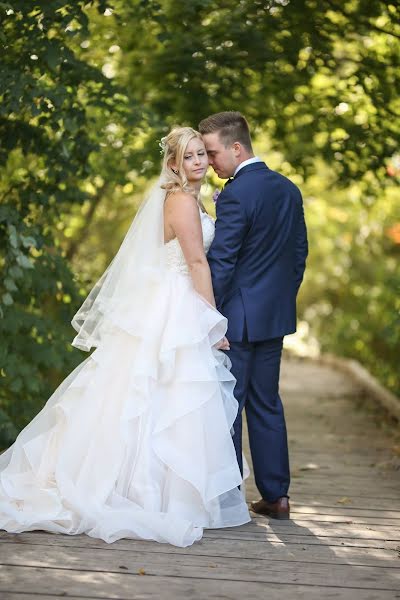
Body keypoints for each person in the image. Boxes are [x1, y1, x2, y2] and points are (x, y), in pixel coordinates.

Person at [0, 126, 251, 547]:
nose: (199, 162)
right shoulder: (182, 203)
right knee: (159, 396)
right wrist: (213, 324)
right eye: (188, 157)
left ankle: (149, 489)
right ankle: (142, 494)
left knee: (158, 397)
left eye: (201, 155)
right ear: (173, 164)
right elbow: (196, 264)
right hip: (177, 306)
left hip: (170, 302)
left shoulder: (186, 199)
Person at [199, 111, 308, 519]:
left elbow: (223, 262)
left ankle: (229, 498)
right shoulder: (288, 189)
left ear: (236, 147)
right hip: (273, 317)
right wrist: (279, 300)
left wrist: (210, 315)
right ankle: (277, 496)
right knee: (267, 403)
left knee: (230, 404)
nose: (210, 163)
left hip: (236, 320)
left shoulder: (237, 194)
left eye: (213, 154)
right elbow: (299, 255)